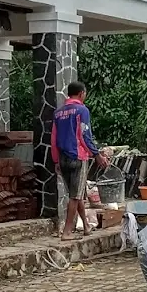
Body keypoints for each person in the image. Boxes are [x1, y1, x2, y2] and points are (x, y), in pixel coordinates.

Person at [51, 81, 107, 241]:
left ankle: (86, 226)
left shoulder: (58, 113)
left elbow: (53, 138)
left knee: (77, 193)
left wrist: (56, 160)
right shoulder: (82, 110)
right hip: (78, 157)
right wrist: (96, 154)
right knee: (75, 196)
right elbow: (84, 135)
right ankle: (67, 232)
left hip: (62, 158)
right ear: (82, 93)